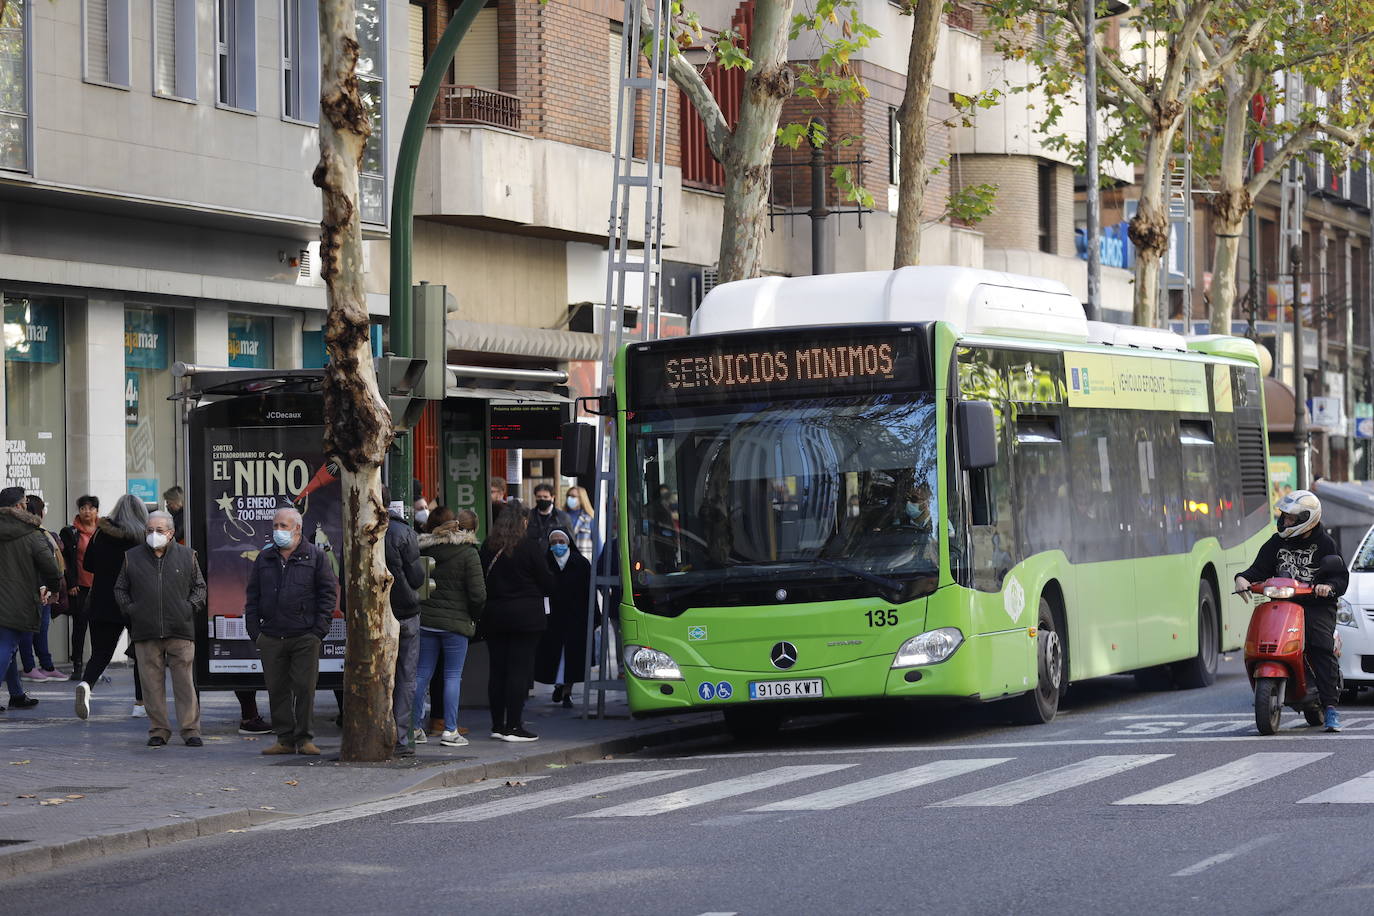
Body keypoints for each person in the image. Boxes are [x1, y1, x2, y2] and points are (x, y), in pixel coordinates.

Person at [1235, 489, 1348, 732]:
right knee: (1264, 639)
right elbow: (1258, 568)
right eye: (1284, 517)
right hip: (1283, 602)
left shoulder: (1325, 543)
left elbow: (1341, 578)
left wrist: (1327, 587)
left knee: (1319, 645)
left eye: (1290, 518)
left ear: (1307, 518)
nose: (1285, 522)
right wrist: (1242, 578)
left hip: (1315, 605)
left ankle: (1330, 708)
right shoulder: (1277, 542)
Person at [244, 507, 339, 755]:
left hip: (305, 635)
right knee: (277, 690)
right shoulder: (265, 558)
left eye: (283, 526)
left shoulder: (316, 557)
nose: (277, 531)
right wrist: (256, 632)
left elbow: (328, 596)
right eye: (275, 526)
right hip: (272, 636)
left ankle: (305, 738)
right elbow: (252, 596)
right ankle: (284, 739)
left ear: (297, 528)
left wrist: (318, 631)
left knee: (304, 689)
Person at [113, 511, 206, 747]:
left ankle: (190, 730)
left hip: (180, 629)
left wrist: (188, 608)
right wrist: (132, 610)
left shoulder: (188, 556)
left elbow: (200, 588)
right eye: (149, 530)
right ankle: (158, 730)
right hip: (146, 630)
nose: (154, 535)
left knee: (184, 683)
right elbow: (120, 589)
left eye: (159, 530)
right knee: (151, 684)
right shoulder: (131, 557)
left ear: (171, 533)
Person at [481, 500, 554, 741]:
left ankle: (496, 725)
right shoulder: (529, 546)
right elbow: (547, 582)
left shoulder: (488, 546)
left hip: (494, 615)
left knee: (497, 670)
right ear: (522, 521)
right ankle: (514, 725)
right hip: (526, 617)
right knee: (519, 671)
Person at [413, 507, 485, 749]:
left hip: (427, 621)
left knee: (422, 674)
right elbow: (478, 595)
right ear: (472, 530)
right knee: (452, 676)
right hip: (456, 623)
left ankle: (414, 728)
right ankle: (450, 730)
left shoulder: (427, 547)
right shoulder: (469, 553)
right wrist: (473, 617)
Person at [75, 494, 148, 720]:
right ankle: (140, 704)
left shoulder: (100, 534)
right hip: (136, 602)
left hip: (103, 600)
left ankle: (86, 685)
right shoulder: (142, 537)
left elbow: (88, 565)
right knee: (142, 654)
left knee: (100, 653)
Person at [0, 486, 61, 713]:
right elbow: (51, 567)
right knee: (6, 646)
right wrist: (54, 589)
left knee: (8, 648)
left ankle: (16, 694)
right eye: (25, 502)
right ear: (17, 506)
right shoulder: (31, 533)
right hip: (17, 600)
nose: (28, 506)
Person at [383, 487, 426, 757]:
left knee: (377, 674)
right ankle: (399, 736)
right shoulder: (402, 532)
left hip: (371, 613)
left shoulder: (355, 526)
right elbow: (417, 576)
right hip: (405, 610)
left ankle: (375, 730)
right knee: (406, 676)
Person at [535, 528, 595, 707]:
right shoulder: (544, 562)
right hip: (552, 619)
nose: (558, 545)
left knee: (572, 657)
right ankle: (558, 685)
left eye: (561, 541)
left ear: (569, 542)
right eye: (554, 542)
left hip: (575, 618)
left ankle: (567, 690)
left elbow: (588, 592)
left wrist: (594, 617)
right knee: (554, 656)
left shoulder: (581, 563)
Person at [18, 495, 64, 680]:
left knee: (41, 629)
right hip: (35, 588)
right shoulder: (32, 534)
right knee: (28, 630)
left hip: (44, 588)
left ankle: (46, 665)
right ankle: (29, 667)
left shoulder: (41, 532)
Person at [59, 494, 100, 682]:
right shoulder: (70, 532)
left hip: (100, 586)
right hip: (80, 586)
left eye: (90, 508)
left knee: (99, 626)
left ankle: (96, 665)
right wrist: (71, 582)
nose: (87, 511)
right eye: (83, 508)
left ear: (97, 511)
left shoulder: (104, 531)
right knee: (80, 626)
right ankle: (77, 665)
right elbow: (66, 560)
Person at [527, 483, 573, 549]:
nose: (542, 499)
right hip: (533, 555)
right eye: (539, 497)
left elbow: (570, 541)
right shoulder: (529, 516)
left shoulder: (563, 517)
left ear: (552, 498)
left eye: (545, 497)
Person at [564, 486, 595, 561]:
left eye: (573, 496)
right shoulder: (561, 517)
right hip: (564, 562)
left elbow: (597, 544)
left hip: (584, 561)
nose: (570, 498)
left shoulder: (589, 519)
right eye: (568, 496)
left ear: (581, 499)